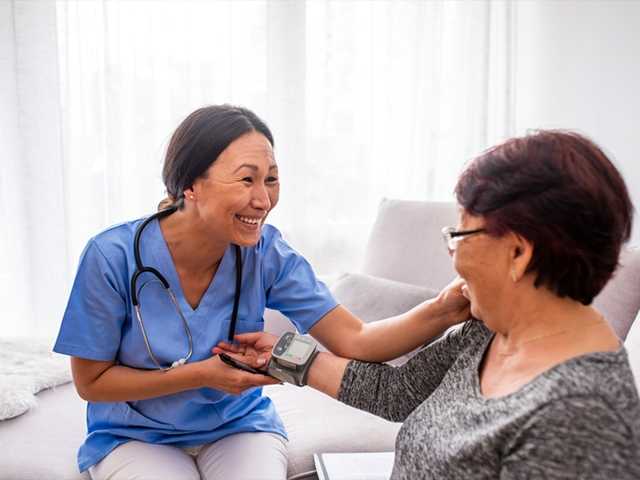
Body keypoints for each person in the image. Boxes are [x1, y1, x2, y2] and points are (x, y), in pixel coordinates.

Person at [53, 105, 468, 480]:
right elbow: (92, 382)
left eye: (271, 179)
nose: (264, 199)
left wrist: (442, 310)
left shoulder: (267, 252)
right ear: (190, 185)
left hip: (238, 427)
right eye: (246, 180)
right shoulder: (112, 255)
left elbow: (355, 340)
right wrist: (201, 374)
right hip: (135, 435)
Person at [221, 130, 640, 479]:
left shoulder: (580, 416)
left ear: (518, 254)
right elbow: (396, 392)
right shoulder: (491, 332)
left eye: (459, 237)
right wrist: (279, 354)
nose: (450, 254)